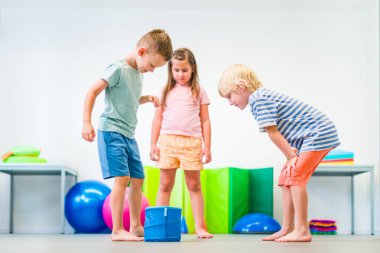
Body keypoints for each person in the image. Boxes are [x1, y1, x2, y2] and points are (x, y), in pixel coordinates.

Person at [218, 64, 340, 242]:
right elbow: (286, 131)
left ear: (241, 87)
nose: (230, 102)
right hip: (308, 137)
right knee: (285, 176)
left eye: (229, 96)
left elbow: (273, 132)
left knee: (296, 176)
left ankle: (302, 230)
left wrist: (292, 157)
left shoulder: (258, 99)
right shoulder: (258, 100)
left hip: (319, 133)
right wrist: (290, 157)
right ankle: (287, 228)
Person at [81, 29, 173, 242]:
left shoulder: (138, 73)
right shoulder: (117, 69)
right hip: (111, 131)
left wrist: (146, 98)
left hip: (128, 134)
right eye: (152, 66)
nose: (151, 71)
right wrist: (86, 121)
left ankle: (135, 225)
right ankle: (116, 230)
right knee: (122, 178)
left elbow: (128, 98)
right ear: (142, 51)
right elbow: (92, 92)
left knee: (138, 178)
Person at [150, 48, 213, 239]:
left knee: (194, 186)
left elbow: (205, 121)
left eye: (184, 70)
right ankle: (160, 226)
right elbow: (157, 120)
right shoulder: (165, 91)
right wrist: (153, 144)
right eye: (176, 70)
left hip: (192, 143)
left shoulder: (199, 92)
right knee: (165, 185)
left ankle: (200, 228)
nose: (180, 74)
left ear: (192, 68)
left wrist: (207, 146)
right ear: (170, 70)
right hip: (168, 142)